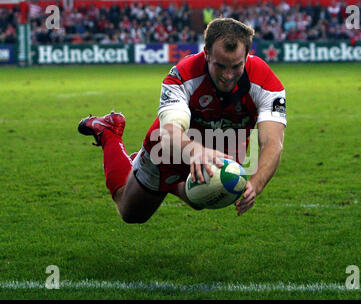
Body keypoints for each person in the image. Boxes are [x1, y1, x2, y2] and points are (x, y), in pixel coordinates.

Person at [78, 18, 286, 223]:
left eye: (236, 66)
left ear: (247, 56)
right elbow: (170, 131)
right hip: (169, 148)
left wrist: (256, 185)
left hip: (224, 145)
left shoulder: (266, 83)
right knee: (131, 214)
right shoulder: (182, 76)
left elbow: (272, 142)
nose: (228, 75)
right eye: (220, 66)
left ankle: (169, 183)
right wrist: (196, 151)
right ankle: (109, 132)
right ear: (206, 53)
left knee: (203, 199)